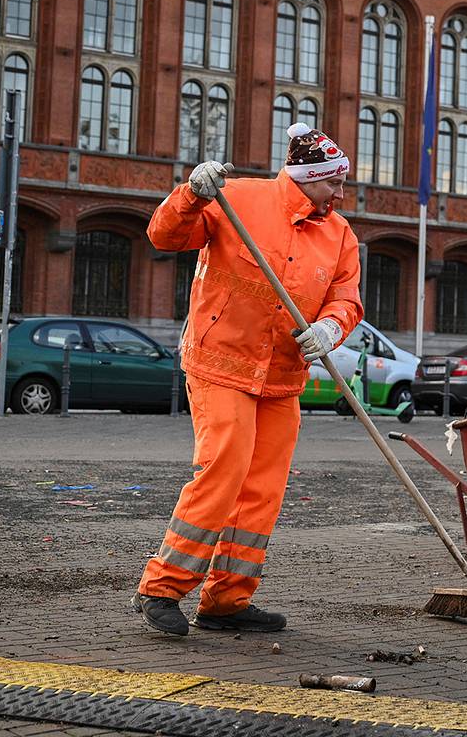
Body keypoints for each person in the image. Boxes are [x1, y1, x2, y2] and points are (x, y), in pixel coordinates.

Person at [132, 122, 363, 636]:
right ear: (306, 179)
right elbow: (163, 235)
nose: (342, 194)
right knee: (224, 470)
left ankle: (227, 601)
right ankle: (162, 587)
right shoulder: (234, 199)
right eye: (333, 183)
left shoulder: (339, 233)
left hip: (282, 377)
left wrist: (330, 327)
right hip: (220, 363)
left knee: (262, 489)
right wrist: (191, 193)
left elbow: (347, 297)